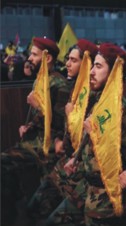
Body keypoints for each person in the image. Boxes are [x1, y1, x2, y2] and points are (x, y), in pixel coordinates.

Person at [63, 43, 126, 226]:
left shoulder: (123, 113)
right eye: (93, 65)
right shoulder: (97, 103)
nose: (91, 72)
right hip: (89, 192)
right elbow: (89, 142)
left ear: (114, 73)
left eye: (98, 67)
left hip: (108, 201)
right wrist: (76, 158)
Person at [1, 37, 70, 223]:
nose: (29, 58)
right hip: (33, 140)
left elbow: (61, 124)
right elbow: (40, 120)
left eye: (33, 54)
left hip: (46, 147)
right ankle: (16, 207)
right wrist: (28, 126)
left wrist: (39, 105)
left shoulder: (60, 84)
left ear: (47, 59)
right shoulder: (40, 80)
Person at [36, 39, 99, 226]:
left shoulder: (95, 98)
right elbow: (62, 128)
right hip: (67, 161)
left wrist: (72, 120)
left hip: (82, 170)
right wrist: (59, 140)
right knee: (37, 204)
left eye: (73, 60)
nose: (67, 64)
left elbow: (90, 143)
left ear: (85, 64)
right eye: (68, 59)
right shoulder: (75, 90)